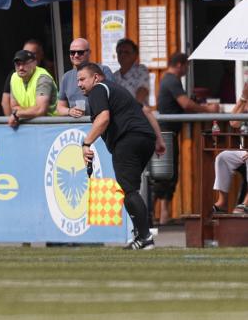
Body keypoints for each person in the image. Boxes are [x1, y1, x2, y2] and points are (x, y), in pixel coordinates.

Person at [77, 63, 166, 250]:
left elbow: (103, 118)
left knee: (129, 190)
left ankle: (145, 238)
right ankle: (140, 236)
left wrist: (86, 143)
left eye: (82, 79)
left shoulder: (98, 89)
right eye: (78, 80)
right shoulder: (117, 89)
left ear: (96, 77)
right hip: (146, 138)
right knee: (130, 189)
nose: (79, 84)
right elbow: (145, 110)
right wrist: (159, 139)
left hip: (128, 139)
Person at [153, 52, 220, 224]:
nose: (187, 70)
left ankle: (163, 215)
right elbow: (185, 103)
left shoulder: (169, 80)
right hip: (165, 132)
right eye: (186, 66)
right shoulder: (172, 80)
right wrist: (208, 110)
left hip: (168, 132)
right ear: (179, 65)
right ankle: (150, 215)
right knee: (163, 174)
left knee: (169, 174)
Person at [211, 82, 248, 214]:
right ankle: (222, 202)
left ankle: (246, 203)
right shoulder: (246, 104)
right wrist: (243, 98)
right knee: (223, 157)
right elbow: (234, 122)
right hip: (244, 150)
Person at [57, 38, 114, 118]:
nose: (76, 55)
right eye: (72, 52)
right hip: (77, 124)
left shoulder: (103, 70)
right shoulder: (66, 77)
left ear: (89, 53)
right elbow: (60, 107)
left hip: (101, 121)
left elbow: (113, 99)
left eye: (80, 52)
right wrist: (70, 111)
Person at [7, 49, 58, 128]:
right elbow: (14, 107)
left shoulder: (43, 78)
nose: (21, 67)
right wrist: (22, 112)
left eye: (25, 64)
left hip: (54, 126)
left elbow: (40, 110)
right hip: (31, 126)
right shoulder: (14, 77)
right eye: (18, 64)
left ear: (35, 63)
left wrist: (18, 114)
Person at [1, 39, 48, 116]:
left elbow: (41, 109)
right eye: (24, 52)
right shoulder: (15, 75)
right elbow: (6, 102)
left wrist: (17, 114)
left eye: (32, 53)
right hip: (24, 120)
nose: (25, 56)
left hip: (47, 122)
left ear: (41, 55)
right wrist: (12, 119)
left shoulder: (45, 73)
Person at [112, 38, 150, 105]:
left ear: (135, 55)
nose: (122, 55)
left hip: (136, 109)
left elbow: (142, 90)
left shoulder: (141, 70)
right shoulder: (115, 76)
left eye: (127, 52)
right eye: (120, 52)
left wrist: (135, 106)